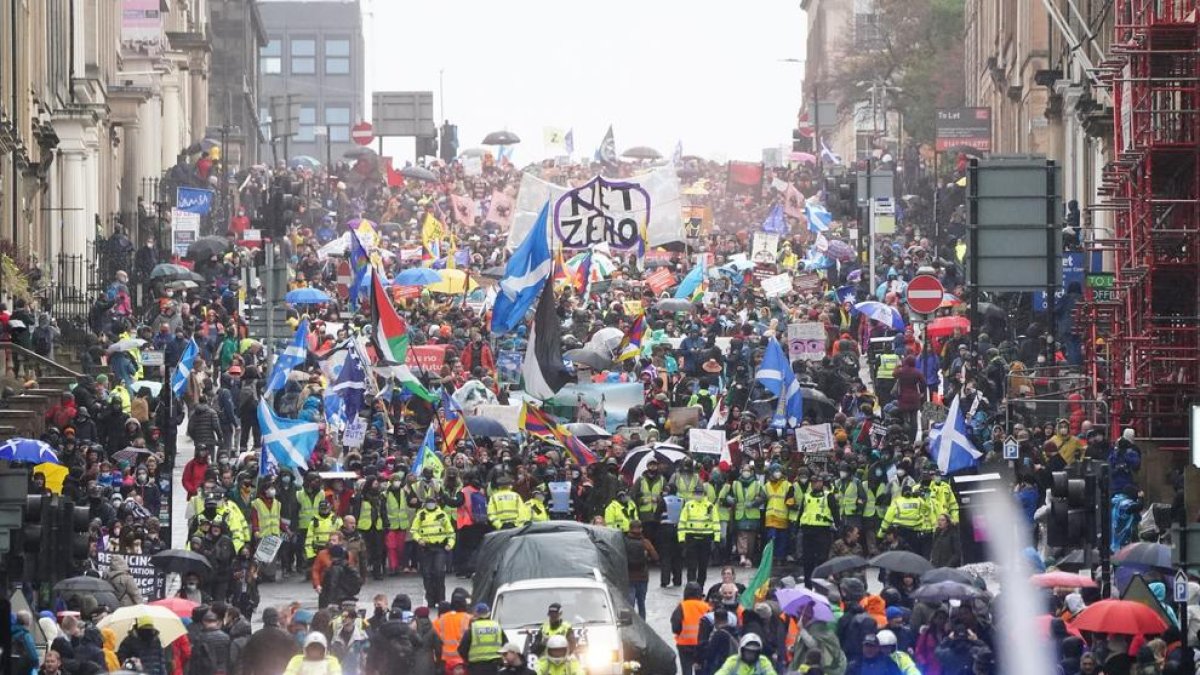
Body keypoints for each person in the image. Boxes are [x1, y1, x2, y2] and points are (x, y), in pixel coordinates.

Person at [411, 496, 455, 606]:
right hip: (426, 548)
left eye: (433, 502)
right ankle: (430, 599)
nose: (431, 505)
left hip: (440, 547)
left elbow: (450, 532)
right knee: (427, 574)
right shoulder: (421, 515)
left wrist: (450, 544)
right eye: (429, 503)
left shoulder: (442, 515)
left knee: (439, 573)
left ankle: (441, 600)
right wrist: (419, 539)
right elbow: (414, 530)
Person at [798, 474, 839, 588]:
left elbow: (835, 512)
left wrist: (838, 527)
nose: (816, 484)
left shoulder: (828, 496)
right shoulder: (806, 496)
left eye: (819, 482)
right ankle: (808, 585)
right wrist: (796, 528)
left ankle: (821, 585)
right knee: (808, 561)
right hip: (808, 531)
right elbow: (801, 513)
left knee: (822, 559)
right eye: (814, 482)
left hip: (823, 531)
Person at [237, 607, 300, 675]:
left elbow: (246, 659)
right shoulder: (287, 636)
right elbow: (296, 656)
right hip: (281, 671)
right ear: (277, 619)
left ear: (264, 619)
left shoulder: (256, 637)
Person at [679, 484, 719, 588]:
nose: (698, 495)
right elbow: (682, 522)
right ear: (693, 494)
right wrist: (681, 538)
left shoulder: (710, 506)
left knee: (703, 566)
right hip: (691, 538)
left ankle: (700, 587)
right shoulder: (688, 505)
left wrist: (717, 538)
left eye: (700, 493)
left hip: (705, 539)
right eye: (696, 493)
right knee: (691, 565)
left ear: (704, 494)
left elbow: (716, 522)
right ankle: (691, 587)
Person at [312, 531, 361, 608]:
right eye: (330, 540)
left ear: (340, 542)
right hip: (325, 588)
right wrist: (317, 585)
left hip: (342, 590)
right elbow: (315, 570)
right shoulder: (322, 554)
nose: (331, 542)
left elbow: (352, 572)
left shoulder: (348, 555)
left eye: (334, 540)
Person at [673, 582, 712, 675]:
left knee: (686, 671)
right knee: (700, 670)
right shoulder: (706, 606)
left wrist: (680, 634)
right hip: (701, 644)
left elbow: (675, 626)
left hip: (684, 645)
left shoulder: (681, 606)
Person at [625, 520, 659, 618]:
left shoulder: (624, 542)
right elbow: (655, 557)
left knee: (630, 604)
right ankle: (642, 625)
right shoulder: (645, 542)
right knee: (641, 604)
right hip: (642, 577)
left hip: (630, 577)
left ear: (629, 529)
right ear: (641, 529)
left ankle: (630, 623)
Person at [457, 603, 503, 675]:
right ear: (488, 614)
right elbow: (506, 645)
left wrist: (468, 660)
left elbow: (462, 649)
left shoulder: (472, 629)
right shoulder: (497, 627)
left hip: (476, 667)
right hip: (494, 666)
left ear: (476, 614)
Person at [187, 611, 231, 675]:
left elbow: (195, 661)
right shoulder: (226, 637)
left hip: (206, 671)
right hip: (222, 670)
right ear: (216, 622)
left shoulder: (200, 638)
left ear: (204, 622)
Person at [712, 633, 777, 675]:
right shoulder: (733, 661)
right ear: (742, 650)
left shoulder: (763, 661)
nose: (751, 654)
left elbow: (771, 672)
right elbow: (722, 672)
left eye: (754, 652)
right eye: (748, 651)